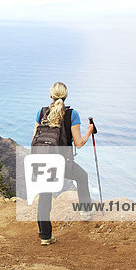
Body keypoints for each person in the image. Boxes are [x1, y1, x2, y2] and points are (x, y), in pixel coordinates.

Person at [32, 82, 94, 246]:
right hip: (62, 162)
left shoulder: (41, 112)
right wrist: (89, 130)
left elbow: (34, 138)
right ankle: (85, 212)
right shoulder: (72, 114)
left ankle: (45, 236)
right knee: (82, 177)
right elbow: (79, 143)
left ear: (51, 96)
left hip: (42, 161)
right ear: (65, 97)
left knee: (45, 196)